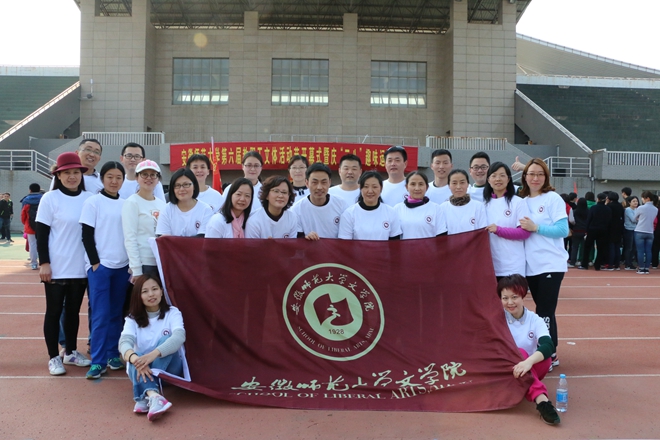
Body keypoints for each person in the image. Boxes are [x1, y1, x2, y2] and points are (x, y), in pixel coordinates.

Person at [36, 152, 94, 375]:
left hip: (80, 266)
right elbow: (41, 234)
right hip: (56, 267)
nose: (72, 176)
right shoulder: (50, 199)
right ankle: (53, 357)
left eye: (76, 172)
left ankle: (70, 351)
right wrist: (44, 263)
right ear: (58, 176)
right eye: (67, 172)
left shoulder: (90, 198)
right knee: (53, 312)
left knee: (72, 312)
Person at [80, 161, 131, 379]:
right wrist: (95, 263)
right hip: (100, 267)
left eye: (118, 177)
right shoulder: (93, 202)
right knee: (100, 314)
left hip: (122, 267)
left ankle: (112, 354)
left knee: (116, 313)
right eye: (110, 176)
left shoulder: (127, 204)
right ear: (102, 179)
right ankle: (98, 361)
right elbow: (86, 235)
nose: (114, 181)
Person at [518, 158, 568, 369]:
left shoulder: (552, 198)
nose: (535, 178)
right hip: (530, 265)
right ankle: (547, 348)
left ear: (546, 177)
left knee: (545, 311)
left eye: (540, 174)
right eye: (531, 173)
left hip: (550, 264)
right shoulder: (521, 199)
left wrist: (536, 227)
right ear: (525, 176)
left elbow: (563, 230)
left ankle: (550, 353)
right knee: (541, 310)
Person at [119, 274, 185, 421]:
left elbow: (179, 337)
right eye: (145, 291)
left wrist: (153, 355)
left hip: (168, 371)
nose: (151, 294)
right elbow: (124, 343)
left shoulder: (173, 312)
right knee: (135, 355)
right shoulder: (131, 318)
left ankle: (143, 396)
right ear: (138, 296)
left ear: (161, 291)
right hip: (141, 369)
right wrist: (135, 359)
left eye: (154, 289)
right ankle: (154, 396)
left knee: (167, 340)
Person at [498, 275, 561, 425]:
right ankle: (542, 400)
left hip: (529, 367)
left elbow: (548, 345)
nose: (510, 302)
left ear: (523, 295)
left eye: (514, 297)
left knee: (545, 358)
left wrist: (527, 362)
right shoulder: (497, 319)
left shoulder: (535, 319)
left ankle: (526, 384)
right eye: (505, 298)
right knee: (520, 352)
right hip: (506, 369)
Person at [121, 160, 167, 282]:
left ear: (158, 179)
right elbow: (130, 237)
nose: (149, 178)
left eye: (153, 175)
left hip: (160, 261)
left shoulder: (162, 205)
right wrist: (136, 269)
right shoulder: (132, 202)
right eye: (144, 174)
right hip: (143, 263)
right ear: (137, 178)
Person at [483, 162, 530, 278]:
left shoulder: (518, 202)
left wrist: (499, 230)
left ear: (508, 179)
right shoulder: (483, 205)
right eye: (494, 176)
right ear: (488, 180)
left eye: (502, 175)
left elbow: (524, 233)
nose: (498, 179)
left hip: (513, 265)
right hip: (491, 266)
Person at [338, 171, 402, 240]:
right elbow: (345, 244)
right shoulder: (349, 214)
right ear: (360, 188)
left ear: (381, 188)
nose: (370, 191)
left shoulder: (390, 212)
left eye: (375, 187)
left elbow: (394, 243)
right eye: (366, 187)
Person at [291, 163, 348, 240]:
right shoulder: (297, 210)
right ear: (307, 183)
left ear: (329, 183)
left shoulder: (341, 205)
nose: (319, 187)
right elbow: (297, 240)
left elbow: (346, 236)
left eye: (324, 182)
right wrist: (306, 238)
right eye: (314, 182)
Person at [156, 168, 213, 237]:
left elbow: (203, 239)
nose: (182, 189)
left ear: (194, 186)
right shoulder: (166, 210)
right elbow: (164, 240)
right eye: (177, 185)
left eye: (186, 184)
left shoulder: (206, 210)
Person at [393, 171, 445, 239]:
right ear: (406, 187)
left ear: (427, 187)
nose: (417, 188)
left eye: (421, 184)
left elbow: (441, 237)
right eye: (413, 184)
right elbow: (394, 237)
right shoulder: (398, 209)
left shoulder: (436, 208)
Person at [439, 169, 487, 235]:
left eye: (462, 182)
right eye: (454, 183)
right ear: (449, 186)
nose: (458, 187)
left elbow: (482, 234)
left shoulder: (478, 207)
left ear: (468, 184)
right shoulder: (442, 208)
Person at [580, 193, 611, 271]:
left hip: (592, 229)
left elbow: (589, 219)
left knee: (587, 247)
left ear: (598, 199)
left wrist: (586, 230)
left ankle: (584, 264)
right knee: (600, 248)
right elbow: (609, 221)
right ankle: (597, 265)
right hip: (603, 230)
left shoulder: (593, 208)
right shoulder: (608, 209)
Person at [634, 191, 658, 274]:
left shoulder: (641, 208)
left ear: (647, 198)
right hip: (650, 231)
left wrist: (639, 219)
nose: (642, 200)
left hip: (640, 230)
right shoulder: (655, 209)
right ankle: (647, 268)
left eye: (643, 198)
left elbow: (634, 218)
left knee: (640, 250)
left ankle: (641, 268)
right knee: (648, 250)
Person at [20, 184, 42, 269]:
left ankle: (34, 264)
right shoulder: (44, 198)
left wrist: (25, 223)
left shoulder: (26, 200)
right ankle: (45, 262)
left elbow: (23, 214)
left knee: (32, 245)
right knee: (44, 243)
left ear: (30, 190)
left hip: (30, 226)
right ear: (39, 189)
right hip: (43, 225)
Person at [606, 192, 624, 271]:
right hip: (619, 227)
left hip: (610, 227)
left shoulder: (609, 206)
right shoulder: (620, 206)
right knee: (617, 246)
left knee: (611, 246)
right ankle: (617, 264)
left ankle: (610, 264)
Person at [569, 198, 589, 268]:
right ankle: (582, 262)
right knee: (583, 248)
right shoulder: (588, 212)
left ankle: (572, 262)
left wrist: (573, 227)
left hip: (576, 230)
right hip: (585, 231)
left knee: (575, 247)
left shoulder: (575, 211)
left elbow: (571, 220)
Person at [623, 196, 639, 270]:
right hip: (628, 229)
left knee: (634, 248)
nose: (636, 202)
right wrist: (638, 218)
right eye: (634, 201)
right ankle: (627, 264)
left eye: (636, 201)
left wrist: (638, 219)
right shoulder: (628, 210)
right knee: (629, 247)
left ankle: (630, 263)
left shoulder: (636, 209)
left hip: (635, 229)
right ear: (629, 202)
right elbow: (633, 219)